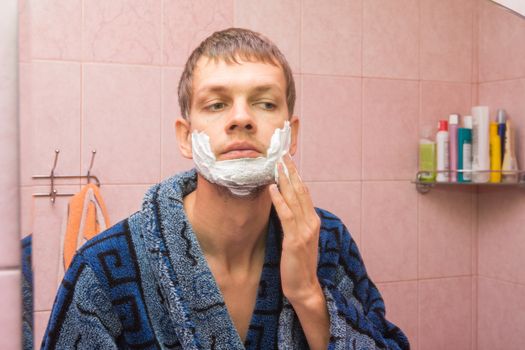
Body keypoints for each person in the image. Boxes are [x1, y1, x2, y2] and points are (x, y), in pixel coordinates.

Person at [42, 28, 410, 350]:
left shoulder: (327, 241)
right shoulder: (102, 269)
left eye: (265, 103)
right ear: (185, 138)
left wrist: (309, 296)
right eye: (217, 104)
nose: (241, 119)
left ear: (292, 134)